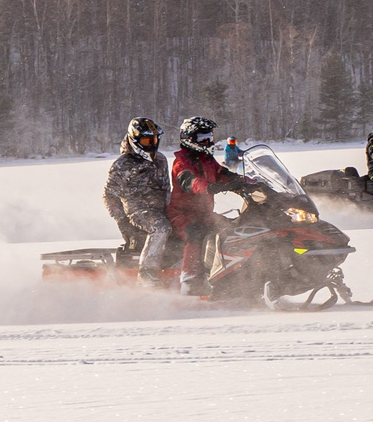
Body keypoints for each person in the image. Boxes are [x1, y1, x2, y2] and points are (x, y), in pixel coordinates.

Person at [167, 115, 257, 295]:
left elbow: (224, 174)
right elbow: (189, 181)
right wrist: (209, 187)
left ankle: (231, 277)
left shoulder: (207, 160)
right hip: (182, 216)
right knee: (197, 232)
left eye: (210, 137)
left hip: (204, 214)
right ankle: (190, 281)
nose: (208, 142)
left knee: (231, 228)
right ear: (189, 139)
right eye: (203, 138)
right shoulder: (181, 162)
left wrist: (249, 182)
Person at [103, 116, 174, 284]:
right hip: (137, 212)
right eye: (146, 140)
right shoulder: (123, 164)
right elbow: (109, 195)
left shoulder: (160, 160)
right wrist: (122, 221)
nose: (151, 144)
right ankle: (147, 272)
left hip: (161, 210)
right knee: (160, 227)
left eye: (153, 140)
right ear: (135, 140)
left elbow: (166, 189)